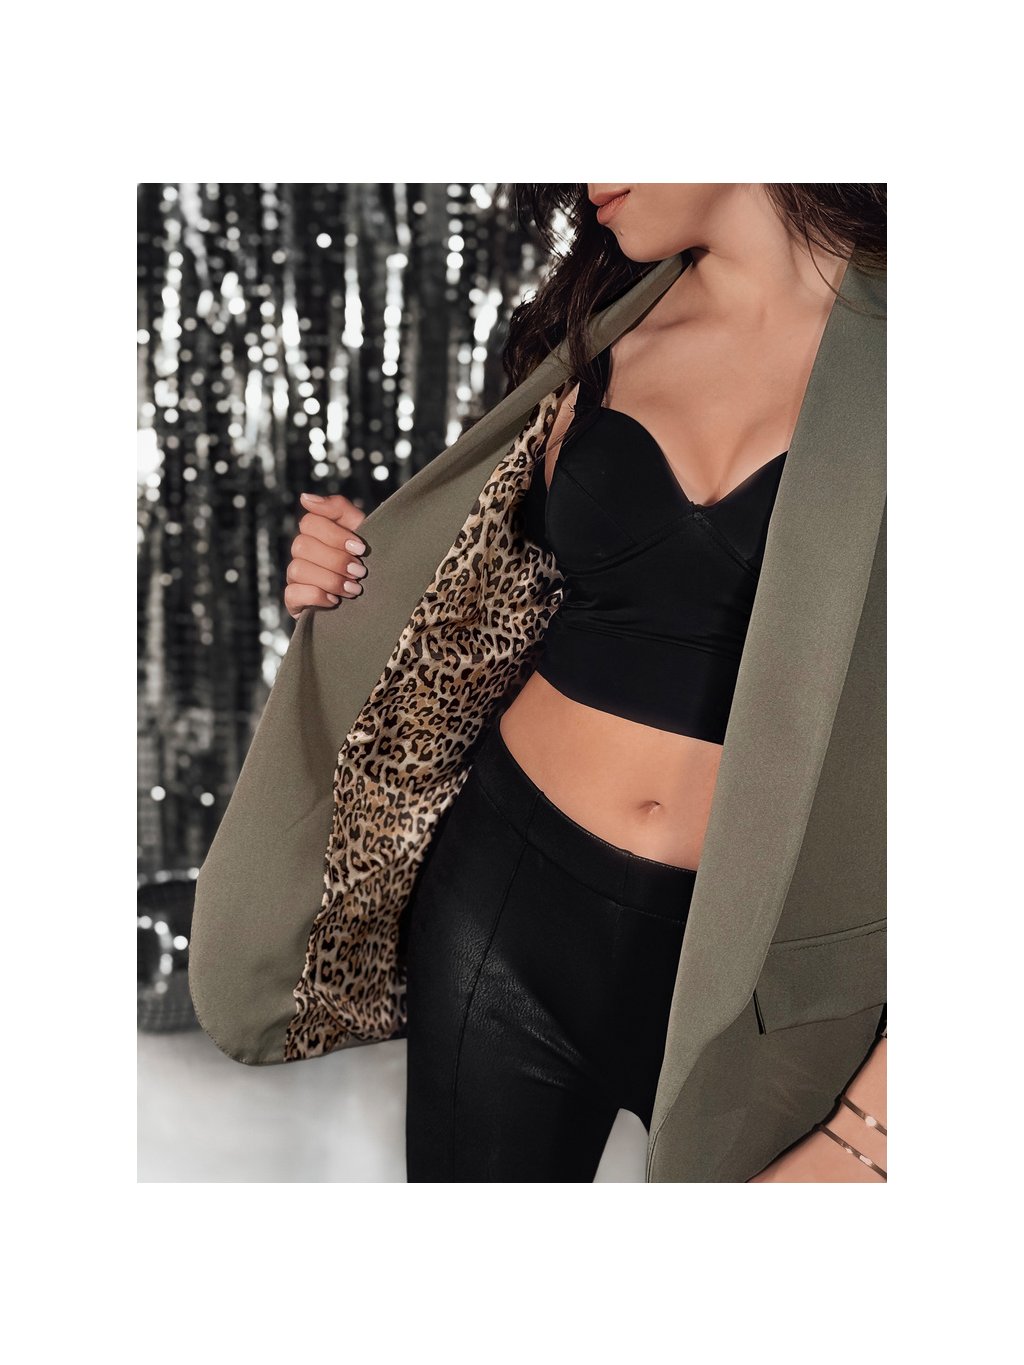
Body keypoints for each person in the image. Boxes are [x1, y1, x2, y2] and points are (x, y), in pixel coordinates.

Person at [279, 184, 887, 1182]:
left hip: (774, 969)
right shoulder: (597, 333)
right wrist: (348, 579)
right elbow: (481, 592)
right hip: (505, 905)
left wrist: (875, 1126)